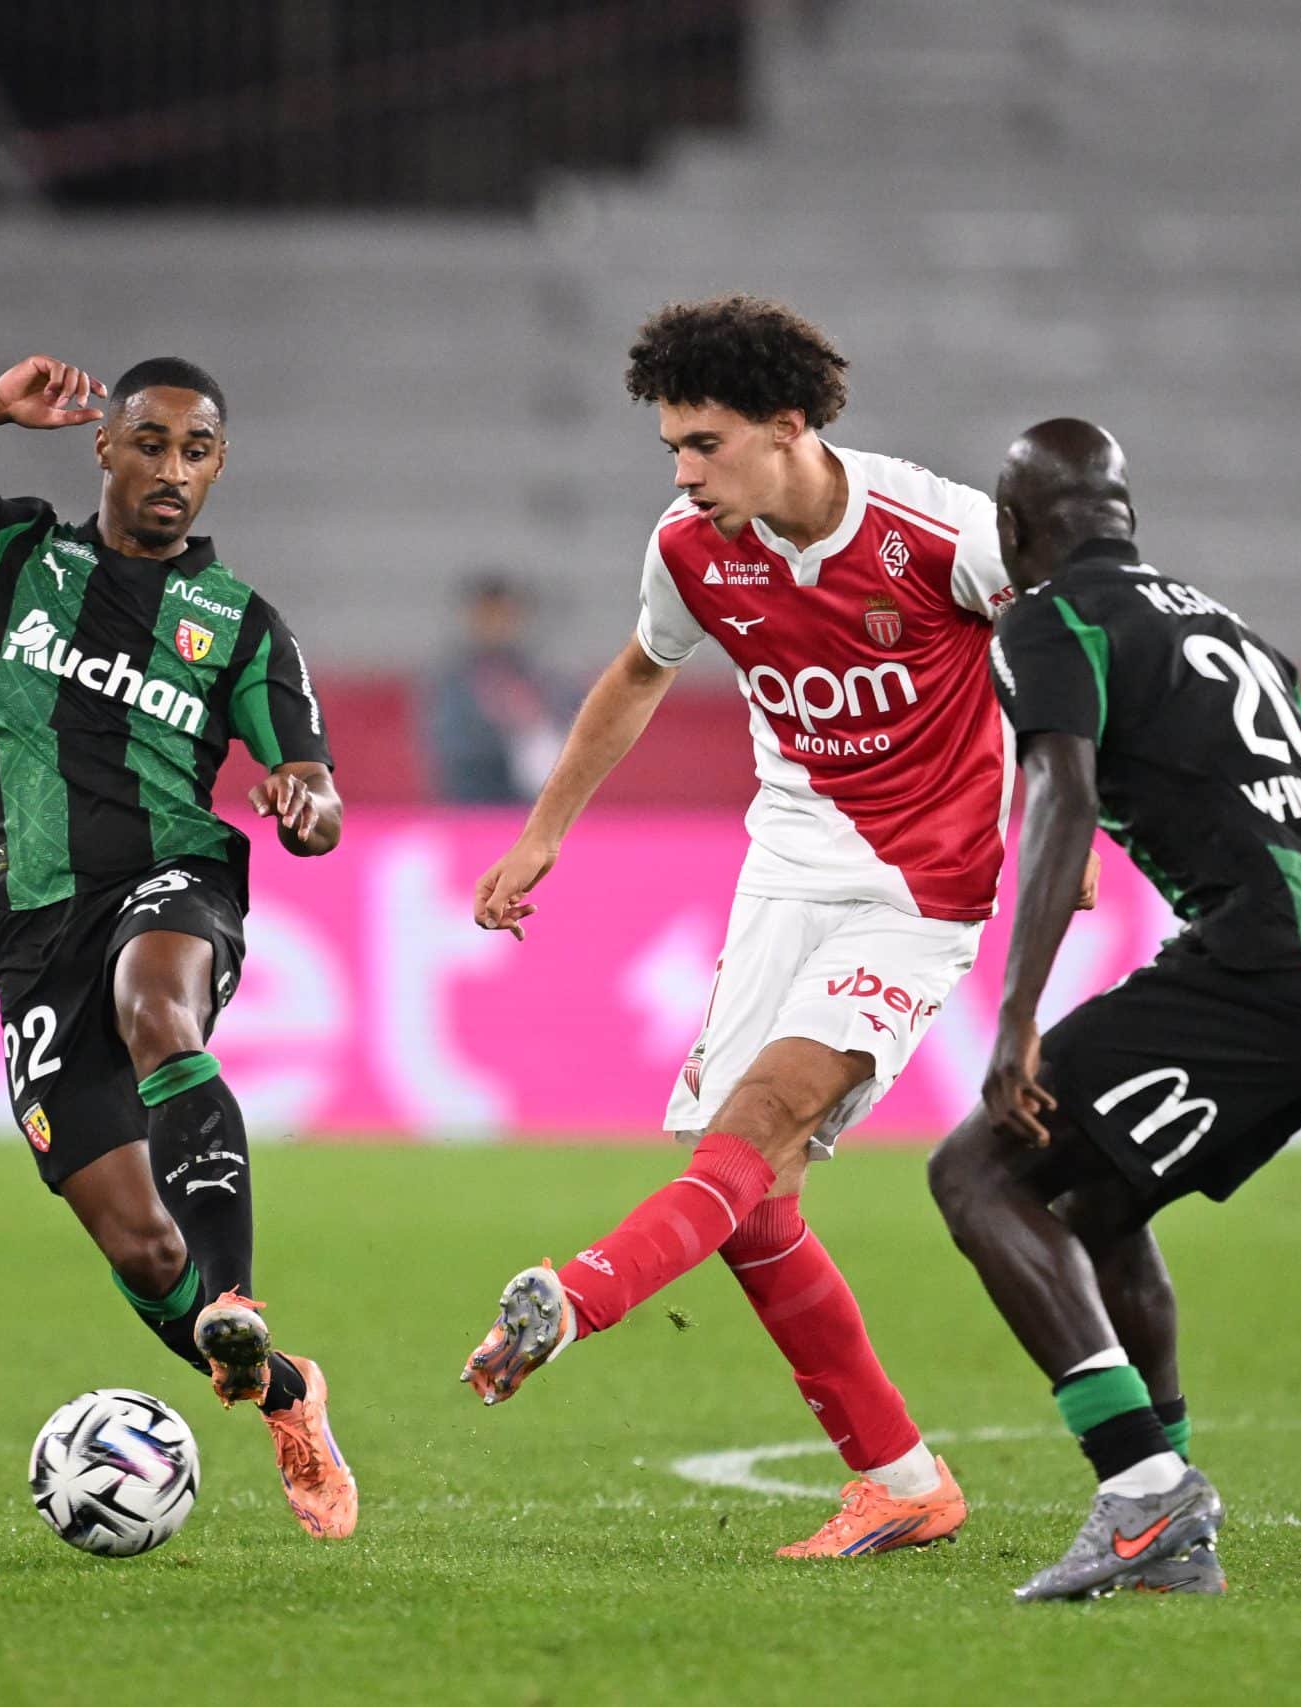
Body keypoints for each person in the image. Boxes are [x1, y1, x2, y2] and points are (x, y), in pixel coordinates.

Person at [460, 295, 1070, 1558]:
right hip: (785, 872)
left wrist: (1082, 824)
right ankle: (901, 1480)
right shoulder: (689, 546)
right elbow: (639, 671)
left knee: (758, 1124)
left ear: (788, 426)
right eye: (671, 448)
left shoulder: (943, 530)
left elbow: (1068, 655)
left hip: (920, 890)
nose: (684, 474)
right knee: (747, 1190)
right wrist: (543, 831)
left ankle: (578, 1297)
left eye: (706, 444)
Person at [927, 419, 1301, 1602]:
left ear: (1014, 528)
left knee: (979, 1172)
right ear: (1125, 519)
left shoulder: (1052, 621)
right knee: (1097, 1196)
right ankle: (1170, 1526)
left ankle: (1143, 1491)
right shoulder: (1235, 633)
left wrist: (1017, 1014)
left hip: (1269, 963)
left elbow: (1060, 799)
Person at [0, 353, 357, 1541]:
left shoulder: (240, 626)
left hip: (171, 879)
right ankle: (282, 1390)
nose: (173, 469)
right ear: (103, 446)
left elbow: (315, 790)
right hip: (34, 935)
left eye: (197, 450)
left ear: (219, 467)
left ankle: (235, 1299)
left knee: (157, 1001)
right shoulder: (11, 556)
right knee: (140, 1242)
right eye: (151, 442)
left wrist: (305, 807)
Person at [422, 574, 565, 804]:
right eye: (489, 615)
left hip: (525, 801)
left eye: (503, 615)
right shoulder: (453, 675)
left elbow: (557, 729)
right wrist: (504, 727)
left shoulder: (534, 673)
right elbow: (446, 742)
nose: (496, 625)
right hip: (471, 797)